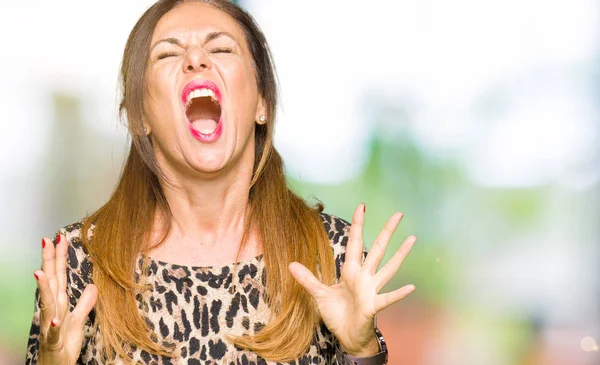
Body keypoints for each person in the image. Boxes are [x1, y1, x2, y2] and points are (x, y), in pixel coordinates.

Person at [25, 1, 417, 364]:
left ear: (262, 102)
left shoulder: (329, 255)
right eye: (168, 53)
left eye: (222, 49)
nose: (196, 58)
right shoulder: (78, 262)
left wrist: (361, 351)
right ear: (140, 117)